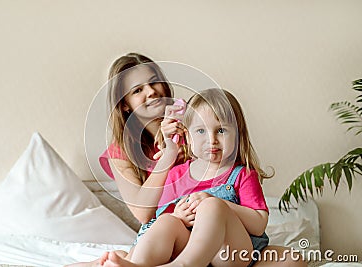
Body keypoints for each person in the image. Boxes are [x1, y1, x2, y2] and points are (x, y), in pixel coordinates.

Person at [66, 54, 306, 267]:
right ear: (125, 105)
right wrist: (169, 153)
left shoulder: (197, 125)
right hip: (180, 239)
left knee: (291, 259)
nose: (150, 92)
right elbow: (146, 216)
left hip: (227, 246)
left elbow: (256, 221)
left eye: (153, 82)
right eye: (137, 90)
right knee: (165, 224)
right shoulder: (128, 152)